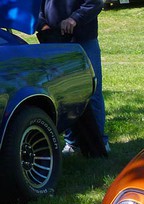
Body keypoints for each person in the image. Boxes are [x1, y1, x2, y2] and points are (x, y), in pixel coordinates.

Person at [37, 0, 109, 155]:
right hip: (55, 41)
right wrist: (42, 24)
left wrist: (74, 19)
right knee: (64, 93)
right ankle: (72, 143)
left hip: (84, 39)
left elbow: (95, 3)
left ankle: (100, 142)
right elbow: (35, 7)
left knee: (92, 91)